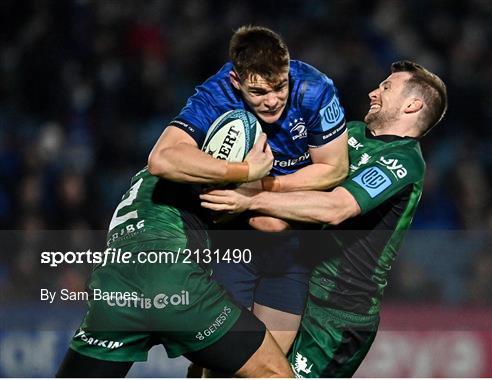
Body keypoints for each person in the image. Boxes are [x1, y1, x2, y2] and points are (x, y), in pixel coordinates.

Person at [200, 60, 448, 377]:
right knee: (225, 366)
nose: (374, 92)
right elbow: (291, 179)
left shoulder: (404, 161)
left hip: (339, 315)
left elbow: (336, 208)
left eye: (386, 87)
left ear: (413, 105)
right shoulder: (352, 133)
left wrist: (252, 198)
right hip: (296, 286)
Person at [148, 25, 349, 353]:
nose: (272, 101)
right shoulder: (216, 95)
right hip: (231, 241)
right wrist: (243, 171)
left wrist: (260, 189)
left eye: (280, 87)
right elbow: (162, 160)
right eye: (258, 93)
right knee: (220, 359)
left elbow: (335, 167)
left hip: (293, 245)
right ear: (236, 81)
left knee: (271, 362)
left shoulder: (314, 89)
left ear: (288, 70)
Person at [56, 136, 293, 377]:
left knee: (204, 365)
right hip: (170, 280)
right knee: (274, 372)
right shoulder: (202, 171)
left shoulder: (146, 176)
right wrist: (257, 179)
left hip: (113, 289)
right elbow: (272, 224)